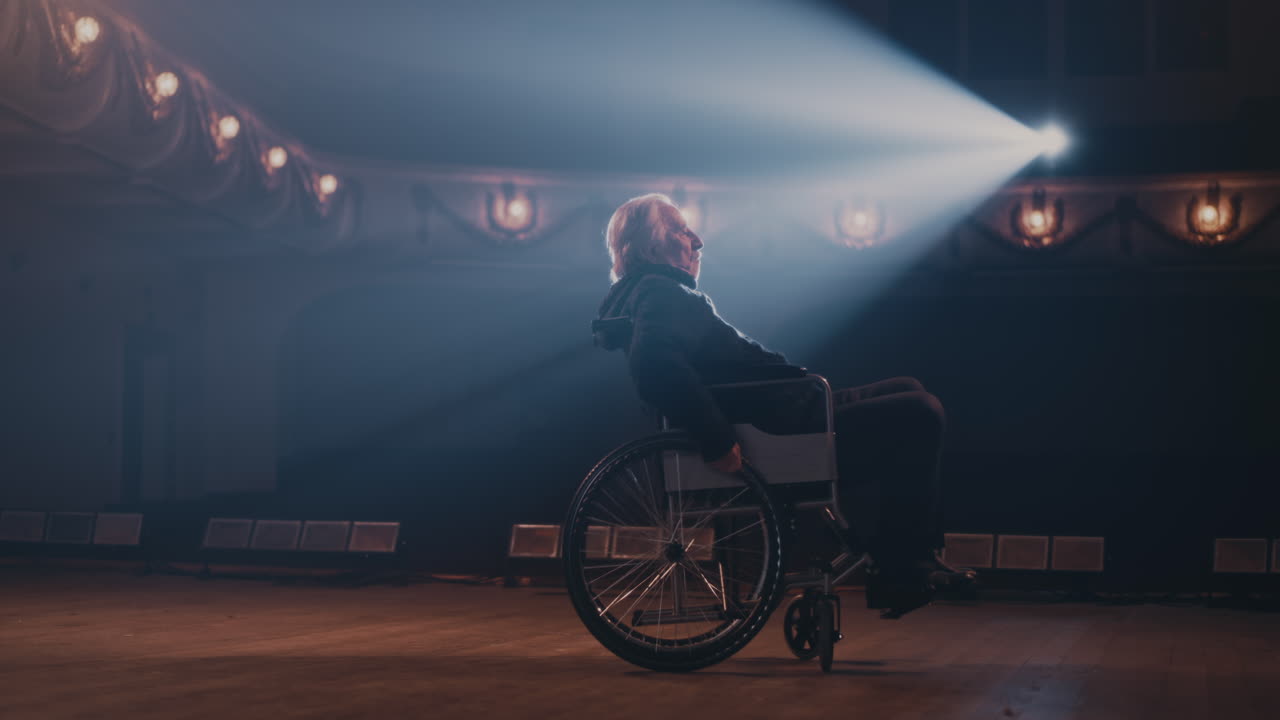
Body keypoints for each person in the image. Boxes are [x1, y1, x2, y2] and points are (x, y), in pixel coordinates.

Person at [595, 193, 972, 619]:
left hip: (783, 410)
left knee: (908, 388)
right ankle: (903, 568)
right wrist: (717, 441)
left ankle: (911, 556)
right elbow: (655, 367)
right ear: (651, 247)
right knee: (920, 412)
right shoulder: (661, 294)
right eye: (682, 230)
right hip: (775, 429)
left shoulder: (656, 294)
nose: (697, 241)